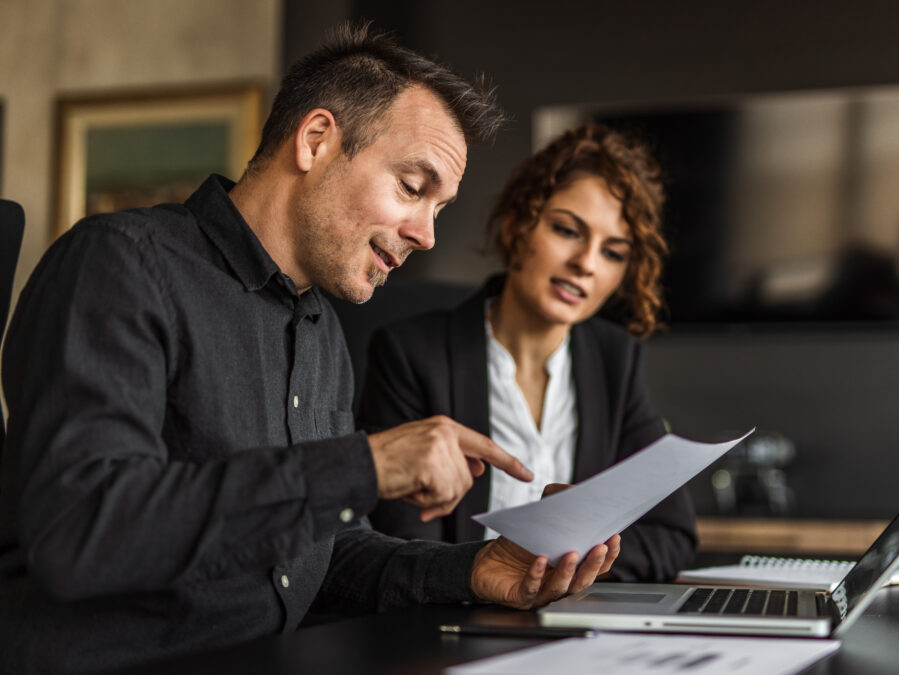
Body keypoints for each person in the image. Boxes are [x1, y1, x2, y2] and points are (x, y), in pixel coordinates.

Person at [0, 24, 618, 673]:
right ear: (316, 139)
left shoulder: (320, 328)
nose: (427, 235)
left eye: (439, 206)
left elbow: (315, 560)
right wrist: (362, 466)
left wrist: (475, 568)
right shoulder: (119, 265)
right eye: (413, 187)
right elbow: (80, 530)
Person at [362, 124, 697, 582]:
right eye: (567, 230)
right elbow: (396, 544)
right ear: (518, 224)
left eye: (614, 253)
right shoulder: (412, 354)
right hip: (454, 620)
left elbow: (671, 534)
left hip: (573, 625)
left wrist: (562, 571)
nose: (587, 264)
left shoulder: (615, 358)